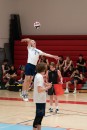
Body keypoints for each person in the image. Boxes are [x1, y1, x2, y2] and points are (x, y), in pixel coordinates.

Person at [33, 63, 52, 130]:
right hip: (39, 99)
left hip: (41, 99)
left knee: (40, 116)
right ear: (43, 69)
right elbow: (39, 89)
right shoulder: (39, 77)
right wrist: (48, 87)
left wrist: (46, 84)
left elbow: (41, 85)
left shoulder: (38, 76)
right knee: (38, 116)